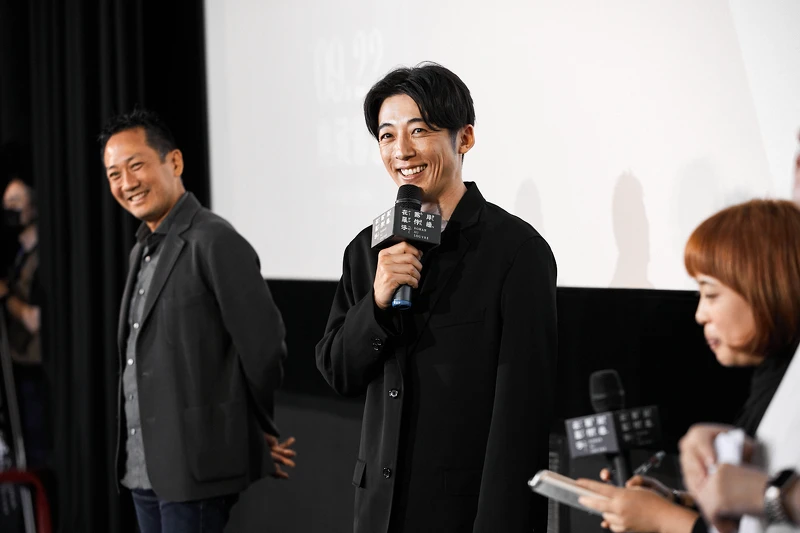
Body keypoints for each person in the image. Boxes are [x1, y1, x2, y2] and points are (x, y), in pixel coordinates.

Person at [315, 62, 558, 533]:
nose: (401, 151)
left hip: (462, 515)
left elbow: (521, 418)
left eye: (419, 130)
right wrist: (376, 306)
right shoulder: (367, 250)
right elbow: (338, 371)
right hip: (378, 513)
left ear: (464, 138)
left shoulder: (516, 251)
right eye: (387, 136)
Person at [99, 109, 295, 533]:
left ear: (174, 162)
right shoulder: (140, 250)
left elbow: (263, 348)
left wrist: (253, 429)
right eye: (114, 173)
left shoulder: (214, 239)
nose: (126, 183)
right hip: (142, 468)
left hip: (194, 469)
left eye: (136, 165)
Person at [576, 199, 800, 533]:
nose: (700, 315)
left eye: (711, 295)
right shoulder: (770, 383)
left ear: (767, 289)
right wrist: (681, 503)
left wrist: (663, 519)